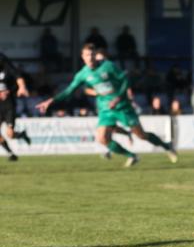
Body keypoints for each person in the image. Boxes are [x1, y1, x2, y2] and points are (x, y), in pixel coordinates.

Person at [36, 43, 178, 167]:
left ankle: (167, 146)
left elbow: (125, 80)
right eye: (87, 55)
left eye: (92, 54)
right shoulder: (82, 74)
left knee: (141, 135)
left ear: (95, 55)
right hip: (105, 108)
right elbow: (69, 91)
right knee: (102, 138)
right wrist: (50, 101)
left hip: (122, 106)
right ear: (82, 57)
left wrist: (118, 97)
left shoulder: (108, 66)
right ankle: (132, 156)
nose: (90, 57)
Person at [0, 53, 32, 161]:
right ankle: (10, 154)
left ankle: (21, 135)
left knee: (10, 134)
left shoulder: (7, 69)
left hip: (8, 105)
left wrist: (22, 87)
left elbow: (18, 77)